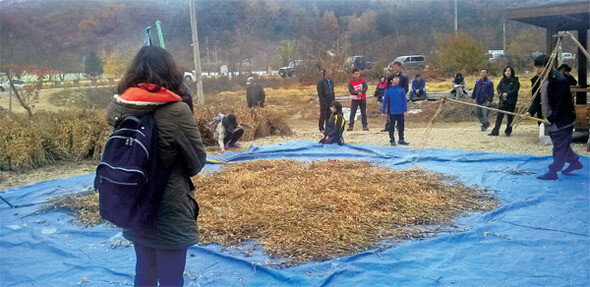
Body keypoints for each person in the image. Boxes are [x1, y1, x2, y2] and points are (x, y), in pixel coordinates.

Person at [106, 45, 207, 286]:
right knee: (171, 277)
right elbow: (197, 162)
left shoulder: (120, 107)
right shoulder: (176, 110)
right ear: (170, 72)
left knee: (144, 273)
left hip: (133, 200)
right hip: (168, 206)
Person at [530, 55, 582, 180]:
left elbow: (561, 103)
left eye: (540, 67)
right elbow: (538, 99)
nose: (538, 70)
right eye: (536, 67)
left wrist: (552, 118)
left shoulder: (560, 80)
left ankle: (553, 172)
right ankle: (574, 162)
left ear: (548, 66)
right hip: (551, 118)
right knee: (561, 145)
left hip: (563, 119)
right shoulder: (540, 80)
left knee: (559, 147)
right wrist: (530, 111)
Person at [489, 66, 520, 136]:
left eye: (509, 71)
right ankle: (495, 131)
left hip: (511, 101)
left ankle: (508, 131)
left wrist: (508, 94)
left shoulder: (515, 81)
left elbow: (515, 90)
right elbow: (498, 88)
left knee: (509, 117)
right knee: (499, 116)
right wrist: (501, 93)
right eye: (506, 71)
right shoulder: (502, 80)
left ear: (511, 72)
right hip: (502, 101)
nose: (507, 72)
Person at [381, 74, 409, 146]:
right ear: (391, 80)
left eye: (398, 78)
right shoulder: (388, 90)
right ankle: (392, 140)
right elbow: (385, 101)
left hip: (400, 111)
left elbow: (404, 100)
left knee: (401, 126)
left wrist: (405, 110)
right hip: (391, 112)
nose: (397, 80)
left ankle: (401, 139)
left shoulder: (401, 89)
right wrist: (383, 111)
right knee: (391, 127)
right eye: (395, 78)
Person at [382, 61, 408, 132]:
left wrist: (401, 95)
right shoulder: (391, 77)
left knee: (400, 114)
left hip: (399, 97)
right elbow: (387, 87)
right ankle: (388, 127)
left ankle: (399, 129)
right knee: (390, 113)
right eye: (393, 67)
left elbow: (406, 88)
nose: (394, 68)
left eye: (396, 67)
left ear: (400, 67)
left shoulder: (404, 76)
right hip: (391, 97)